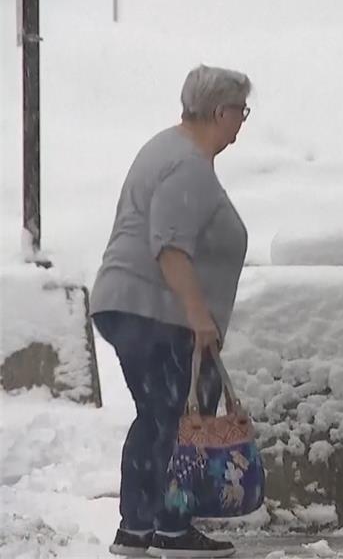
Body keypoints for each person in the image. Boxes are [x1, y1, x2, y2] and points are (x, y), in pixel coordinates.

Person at [90, 64, 251, 557]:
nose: (242, 123)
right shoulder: (188, 163)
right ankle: (172, 529)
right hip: (155, 311)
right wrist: (200, 316)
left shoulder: (169, 149)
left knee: (157, 416)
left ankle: (138, 529)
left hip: (131, 305)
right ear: (220, 111)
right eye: (241, 112)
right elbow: (170, 247)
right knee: (177, 419)